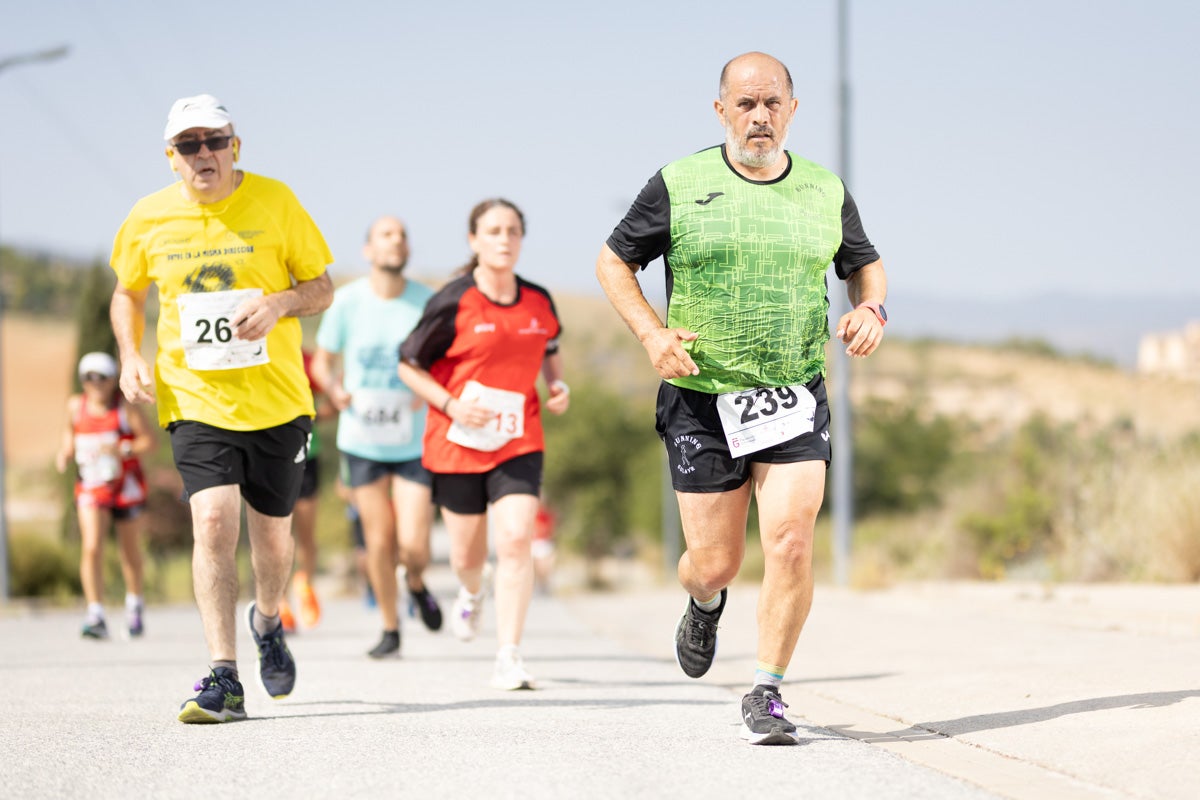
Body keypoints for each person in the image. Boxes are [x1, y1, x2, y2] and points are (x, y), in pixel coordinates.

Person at [595, 52, 887, 745]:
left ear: (792, 108)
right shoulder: (679, 182)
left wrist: (871, 310)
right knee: (715, 561)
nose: (760, 117)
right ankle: (704, 600)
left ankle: (768, 690)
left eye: (772, 103)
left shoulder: (825, 189)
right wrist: (650, 333)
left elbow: (863, 266)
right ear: (721, 109)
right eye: (746, 104)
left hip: (792, 393)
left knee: (789, 540)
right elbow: (614, 261)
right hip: (701, 397)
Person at [109, 94, 333, 724]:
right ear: (171, 158)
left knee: (272, 538)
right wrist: (130, 354)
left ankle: (267, 620)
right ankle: (224, 678)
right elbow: (126, 294)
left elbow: (322, 288)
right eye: (188, 145)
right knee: (212, 522)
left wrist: (282, 303)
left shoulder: (276, 201)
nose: (203, 153)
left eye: (214, 140)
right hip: (195, 397)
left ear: (236, 145)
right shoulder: (147, 217)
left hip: (279, 401)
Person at [398, 198, 570, 690]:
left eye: (513, 230)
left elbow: (550, 352)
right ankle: (471, 593)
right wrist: (451, 406)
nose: (504, 239)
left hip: (519, 438)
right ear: (474, 240)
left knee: (516, 540)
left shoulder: (539, 301)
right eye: (493, 230)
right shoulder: (452, 301)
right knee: (466, 557)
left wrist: (557, 386)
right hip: (458, 442)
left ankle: (509, 656)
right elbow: (407, 365)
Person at [311, 215, 443, 659]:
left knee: (414, 545)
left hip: (412, 440)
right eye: (386, 234)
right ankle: (391, 628)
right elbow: (322, 363)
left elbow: (444, 360)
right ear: (368, 250)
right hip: (362, 439)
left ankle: (418, 582)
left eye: (403, 234)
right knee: (379, 542)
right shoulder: (346, 302)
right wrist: (333, 388)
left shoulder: (427, 300)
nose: (397, 240)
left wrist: (425, 389)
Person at [55, 351, 156, 640]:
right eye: (89, 378)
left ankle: (134, 604)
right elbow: (68, 433)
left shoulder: (125, 409)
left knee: (129, 550)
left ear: (112, 381)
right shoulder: (76, 406)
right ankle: (95, 612)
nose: (95, 384)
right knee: (91, 546)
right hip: (91, 485)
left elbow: (148, 441)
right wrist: (64, 453)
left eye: (101, 378)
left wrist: (123, 449)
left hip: (125, 485)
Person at [279, 350, 333, 633]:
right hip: (271, 459)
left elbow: (334, 399)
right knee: (277, 535)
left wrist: (312, 418)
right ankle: (281, 604)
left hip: (307, 456)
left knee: (306, 535)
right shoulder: (255, 351)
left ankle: (305, 583)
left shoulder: (307, 360)